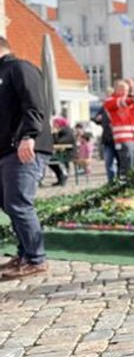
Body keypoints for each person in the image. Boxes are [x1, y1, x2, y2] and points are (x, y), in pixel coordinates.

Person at [0, 35, 53, 279]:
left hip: (23, 147)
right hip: (5, 150)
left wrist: (28, 135)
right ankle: (24, 254)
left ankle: (36, 258)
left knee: (19, 203)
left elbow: (35, 105)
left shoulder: (19, 68)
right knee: (8, 203)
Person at [92, 104, 117, 182]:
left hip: (119, 139)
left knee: (121, 163)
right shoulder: (105, 107)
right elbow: (96, 118)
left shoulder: (120, 104)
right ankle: (111, 182)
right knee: (108, 162)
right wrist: (97, 119)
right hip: (107, 139)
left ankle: (121, 182)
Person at [48, 115, 75, 186]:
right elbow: (53, 142)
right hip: (62, 152)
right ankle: (60, 177)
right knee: (50, 160)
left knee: (51, 160)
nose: (53, 125)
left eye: (55, 123)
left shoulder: (67, 131)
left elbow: (58, 142)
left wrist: (55, 133)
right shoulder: (61, 131)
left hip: (68, 153)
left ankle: (62, 177)